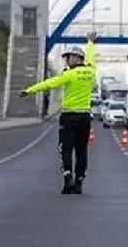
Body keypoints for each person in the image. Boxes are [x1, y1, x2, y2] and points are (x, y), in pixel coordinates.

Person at [20, 32, 97, 194]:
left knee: (66, 148)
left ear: (76, 58)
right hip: (85, 117)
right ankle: (79, 181)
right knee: (82, 150)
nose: (67, 60)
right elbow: (91, 57)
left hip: (69, 116)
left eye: (68, 57)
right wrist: (90, 41)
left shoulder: (68, 74)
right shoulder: (91, 72)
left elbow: (49, 84)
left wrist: (29, 90)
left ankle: (68, 177)